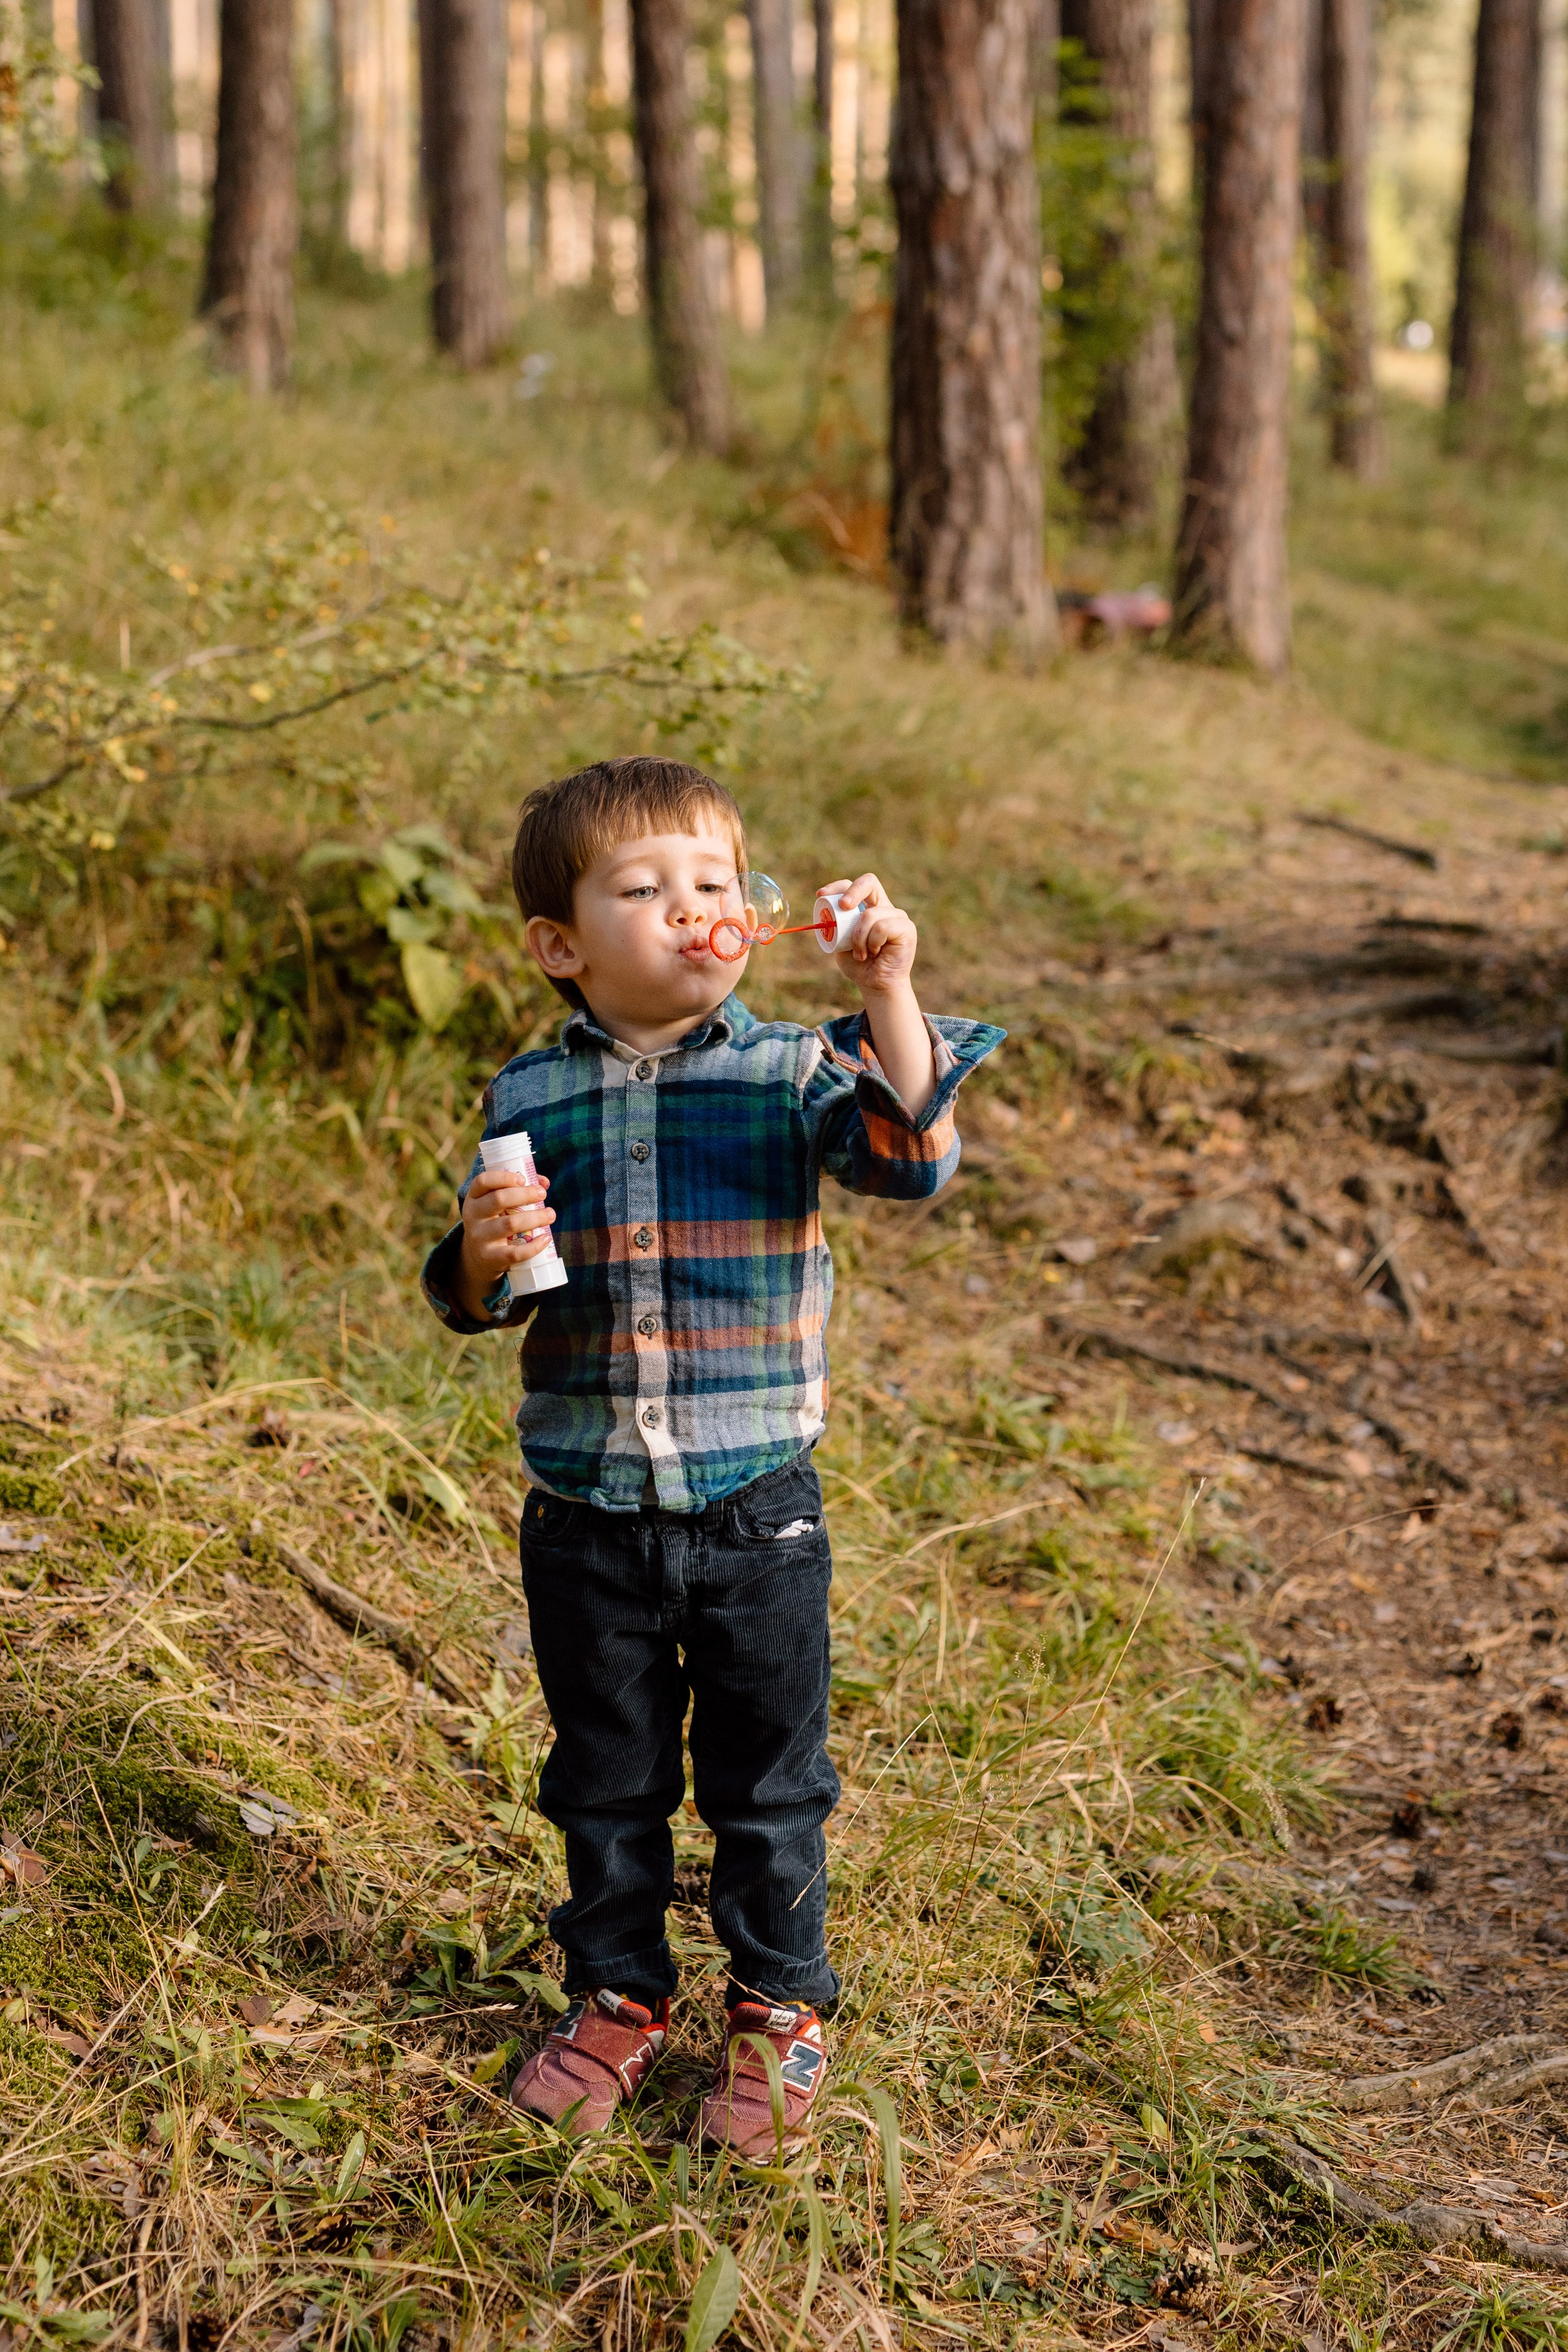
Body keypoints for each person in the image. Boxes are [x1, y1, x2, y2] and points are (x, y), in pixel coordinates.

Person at [421, 756, 1001, 2150]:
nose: (693, 907)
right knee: (602, 1778)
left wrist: (886, 991)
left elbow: (911, 1160)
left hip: (757, 1512)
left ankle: (780, 2005)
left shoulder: (790, 1068)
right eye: (644, 888)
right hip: (584, 1513)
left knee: (769, 1783)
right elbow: (487, 1296)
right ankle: (618, 1993)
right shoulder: (529, 1093)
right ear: (560, 945)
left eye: (715, 882)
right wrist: (480, 1259)